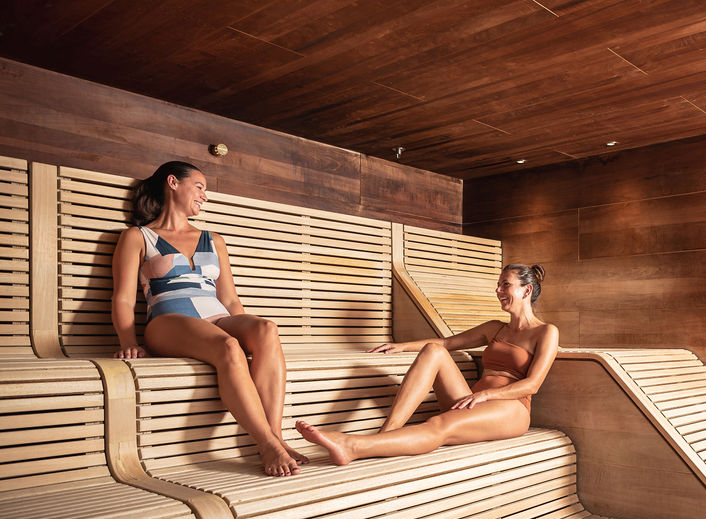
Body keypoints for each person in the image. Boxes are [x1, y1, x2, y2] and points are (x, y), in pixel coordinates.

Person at [111, 161, 307, 477]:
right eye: (200, 187)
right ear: (173, 183)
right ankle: (267, 444)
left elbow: (229, 299)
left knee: (267, 329)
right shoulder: (138, 237)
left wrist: (252, 335)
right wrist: (128, 343)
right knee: (228, 347)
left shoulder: (213, 239)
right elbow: (122, 296)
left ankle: (275, 438)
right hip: (168, 321)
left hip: (216, 317)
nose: (204, 196)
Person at [295, 264, 558, 464]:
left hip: (510, 409)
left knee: (438, 425)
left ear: (526, 290)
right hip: (472, 400)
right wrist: (401, 345)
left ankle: (354, 447)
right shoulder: (494, 328)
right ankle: (387, 433)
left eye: (505, 285)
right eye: (498, 285)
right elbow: (446, 344)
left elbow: (532, 384)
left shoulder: (545, 332)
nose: (498, 291)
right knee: (433, 350)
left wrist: (488, 394)